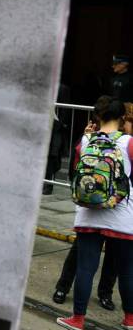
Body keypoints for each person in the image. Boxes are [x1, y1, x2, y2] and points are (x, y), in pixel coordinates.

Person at [57, 96, 133, 330]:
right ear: (122, 117)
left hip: (88, 214)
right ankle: (130, 319)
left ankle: (78, 319)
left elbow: (75, 174)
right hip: (121, 215)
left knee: (86, 268)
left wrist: (86, 135)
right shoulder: (130, 142)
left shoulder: (86, 140)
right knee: (127, 270)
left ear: (97, 116)